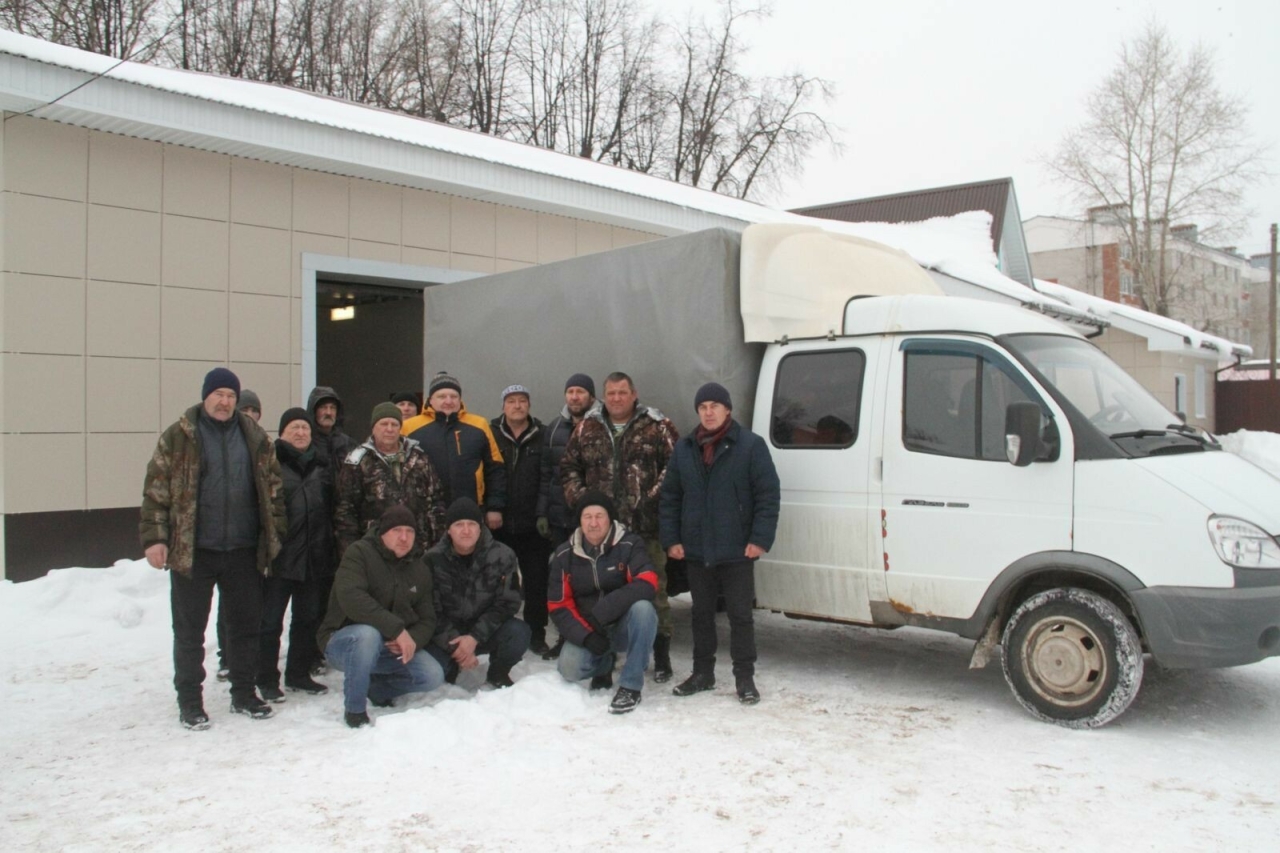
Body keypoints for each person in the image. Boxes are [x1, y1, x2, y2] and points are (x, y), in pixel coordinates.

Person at [140, 367, 285, 730]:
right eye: (218, 394)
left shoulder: (254, 437)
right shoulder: (178, 437)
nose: (224, 402)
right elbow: (156, 492)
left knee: (245, 628)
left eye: (231, 396)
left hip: (242, 549)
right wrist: (155, 538)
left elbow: (274, 492)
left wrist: (274, 534)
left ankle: (244, 693)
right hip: (194, 552)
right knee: (190, 632)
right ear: (206, 396)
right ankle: (190, 702)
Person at [660, 382, 780, 704]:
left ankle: (745, 678)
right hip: (697, 549)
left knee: (740, 615)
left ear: (728, 409)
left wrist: (759, 540)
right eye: (703, 407)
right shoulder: (685, 449)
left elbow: (767, 495)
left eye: (715, 405)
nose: (708, 412)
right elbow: (670, 496)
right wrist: (671, 538)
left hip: (738, 549)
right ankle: (703, 673)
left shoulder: (750, 446)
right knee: (701, 614)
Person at [560, 371, 678, 682]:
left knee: (655, 591)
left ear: (634, 394)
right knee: (602, 589)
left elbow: (675, 467)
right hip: (599, 532)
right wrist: (586, 504)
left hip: (644, 527)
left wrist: (650, 499)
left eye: (622, 393)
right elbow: (569, 467)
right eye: (610, 393)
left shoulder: (657, 425)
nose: (616, 399)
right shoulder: (588, 426)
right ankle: (605, 651)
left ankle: (661, 653)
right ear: (604, 395)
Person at [317, 505, 446, 728]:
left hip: (388, 649)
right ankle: (355, 711)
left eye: (410, 531)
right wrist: (397, 629)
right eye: (397, 531)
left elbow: (428, 618)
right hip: (343, 643)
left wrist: (412, 638)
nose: (404, 538)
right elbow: (351, 597)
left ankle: (376, 690)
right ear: (382, 532)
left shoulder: (419, 568)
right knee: (367, 635)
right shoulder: (358, 553)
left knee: (432, 674)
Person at [550, 491, 658, 715]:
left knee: (644, 610)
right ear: (579, 521)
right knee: (568, 669)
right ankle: (605, 664)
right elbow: (559, 605)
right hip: (588, 629)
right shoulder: (564, 555)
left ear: (610, 518)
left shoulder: (629, 544)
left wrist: (606, 609)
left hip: (621, 626)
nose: (593, 523)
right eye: (587, 517)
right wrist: (586, 636)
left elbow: (647, 581)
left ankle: (631, 685)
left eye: (599, 516)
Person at [256, 408, 335, 703]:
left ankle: (298, 674)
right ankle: (265, 678)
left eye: (305, 428)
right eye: (294, 428)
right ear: (282, 433)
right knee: (269, 622)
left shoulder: (321, 467)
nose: (301, 433)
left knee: (307, 619)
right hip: (280, 559)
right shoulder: (271, 465)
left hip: (314, 558)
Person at [424, 498, 530, 689]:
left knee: (518, 632)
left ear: (480, 527)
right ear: (448, 529)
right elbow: (430, 610)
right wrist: (458, 648)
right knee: (437, 673)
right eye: (459, 525)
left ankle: (498, 673)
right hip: (447, 635)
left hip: (485, 630)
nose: (466, 531)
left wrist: (474, 638)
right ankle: (452, 666)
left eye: (472, 524)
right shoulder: (431, 560)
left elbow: (508, 602)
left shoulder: (504, 555)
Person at [536, 373, 600, 660]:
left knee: (593, 580)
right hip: (562, 519)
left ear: (591, 396)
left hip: (595, 522)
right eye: (570, 391)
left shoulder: (601, 424)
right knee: (564, 580)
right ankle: (566, 635)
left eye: (581, 392)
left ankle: (596, 632)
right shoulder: (553, 429)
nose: (575, 396)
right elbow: (546, 476)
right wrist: (543, 512)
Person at [334, 402, 446, 559]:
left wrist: (437, 546)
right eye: (383, 424)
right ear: (373, 427)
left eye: (394, 424)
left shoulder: (419, 458)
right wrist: (352, 554)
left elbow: (436, 503)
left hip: (416, 551)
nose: (389, 429)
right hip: (374, 552)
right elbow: (346, 512)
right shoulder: (357, 461)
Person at [491, 384, 554, 655]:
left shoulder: (543, 435)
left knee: (536, 580)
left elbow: (547, 478)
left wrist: (542, 513)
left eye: (522, 401)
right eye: (511, 401)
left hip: (532, 525)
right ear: (503, 406)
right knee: (498, 580)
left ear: (529, 405)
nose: (517, 406)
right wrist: (491, 509)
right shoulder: (490, 434)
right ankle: (496, 630)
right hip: (499, 524)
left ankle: (536, 633)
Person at [403, 371, 507, 531]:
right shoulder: (410, 427)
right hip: (425, 513)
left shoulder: (479, 424)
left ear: (460, 399)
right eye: (442, 396)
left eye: (453, 396)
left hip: (470, 510)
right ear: (430, 400)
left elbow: (495, 468)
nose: (448, 401)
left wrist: (495, 507)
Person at [307, 386, 353, 473]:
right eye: (323, 407)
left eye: (332, 408)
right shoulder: (305, 442)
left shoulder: (347, 443)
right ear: (314, 410)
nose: (328, 412)